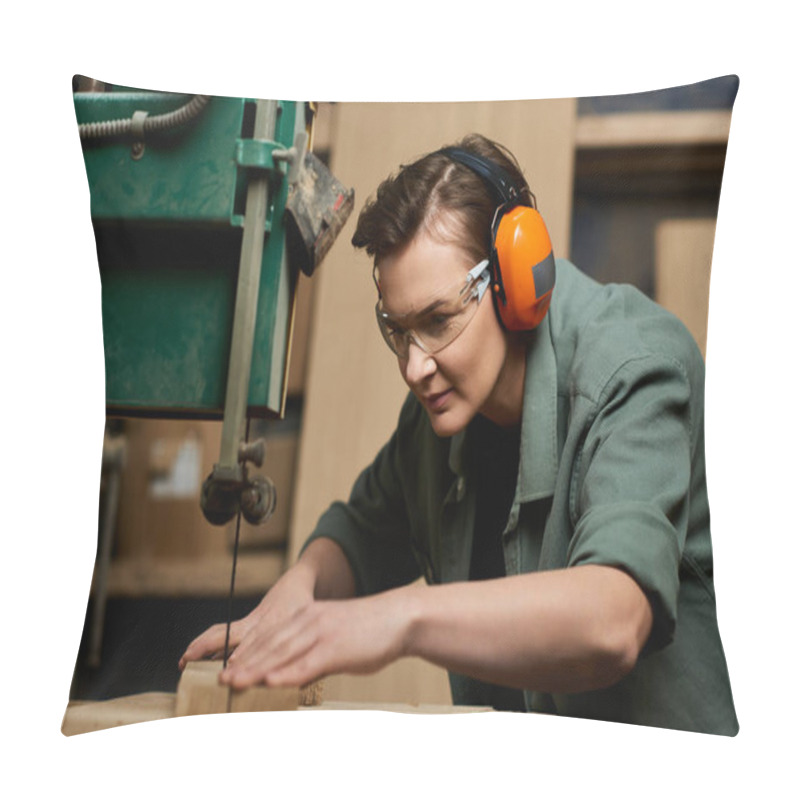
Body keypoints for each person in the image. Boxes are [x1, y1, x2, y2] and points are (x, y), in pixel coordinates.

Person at [180, 133, 738, 735]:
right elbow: (363, 532)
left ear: (515, 281)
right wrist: (301, 591)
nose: (415, 368)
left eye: (439, 321)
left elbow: (613, 620)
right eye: (398, 331)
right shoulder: (438, 419)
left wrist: (402, 620)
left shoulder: (635, 371)